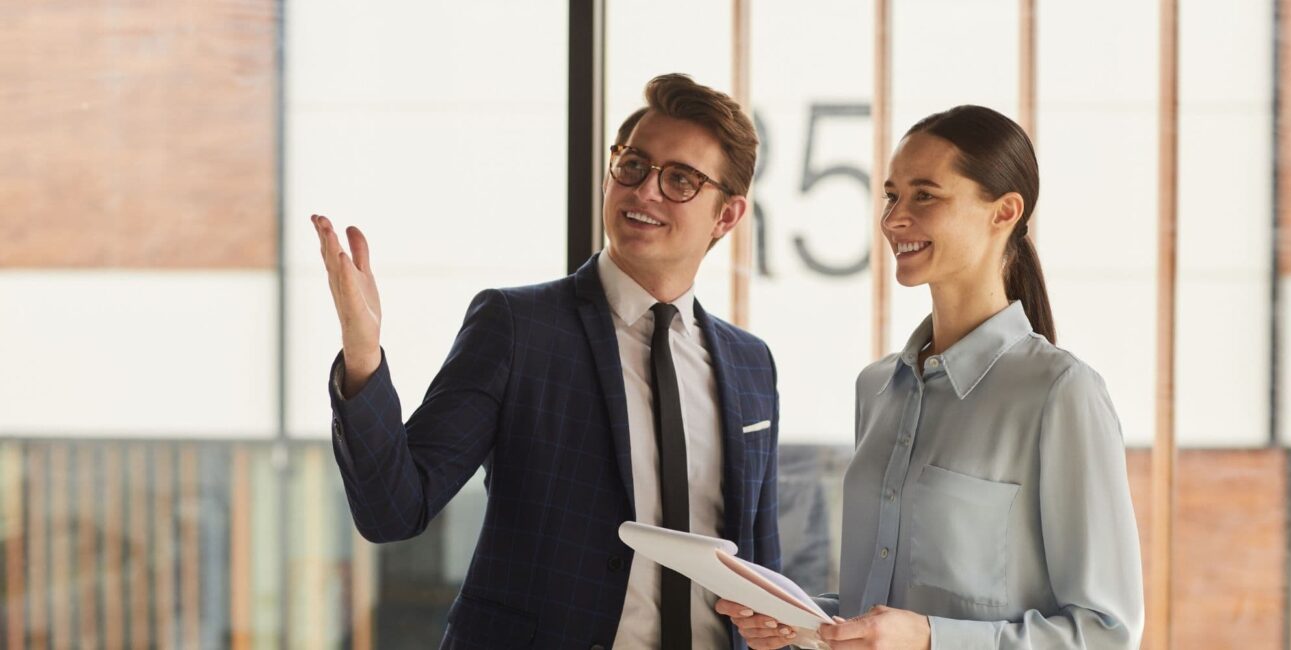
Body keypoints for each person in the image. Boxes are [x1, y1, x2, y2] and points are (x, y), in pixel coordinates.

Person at [311, 73, 781, 649]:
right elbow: (392, 510)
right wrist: (363, 355)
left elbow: (763, 573)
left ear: (726, 216)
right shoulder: (517, 327)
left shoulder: (751, 365)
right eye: (633, 165)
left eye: (680, 179)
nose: (646, 191)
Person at [717, 105, 1143, 649]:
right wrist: (799, 619)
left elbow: (1106, 635)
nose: (894, 218)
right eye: (891, 195)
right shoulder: (876, 390)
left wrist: (929, 638)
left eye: (925, 195)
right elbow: (882, 608)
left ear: (1004, 212)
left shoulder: (1061, 393)